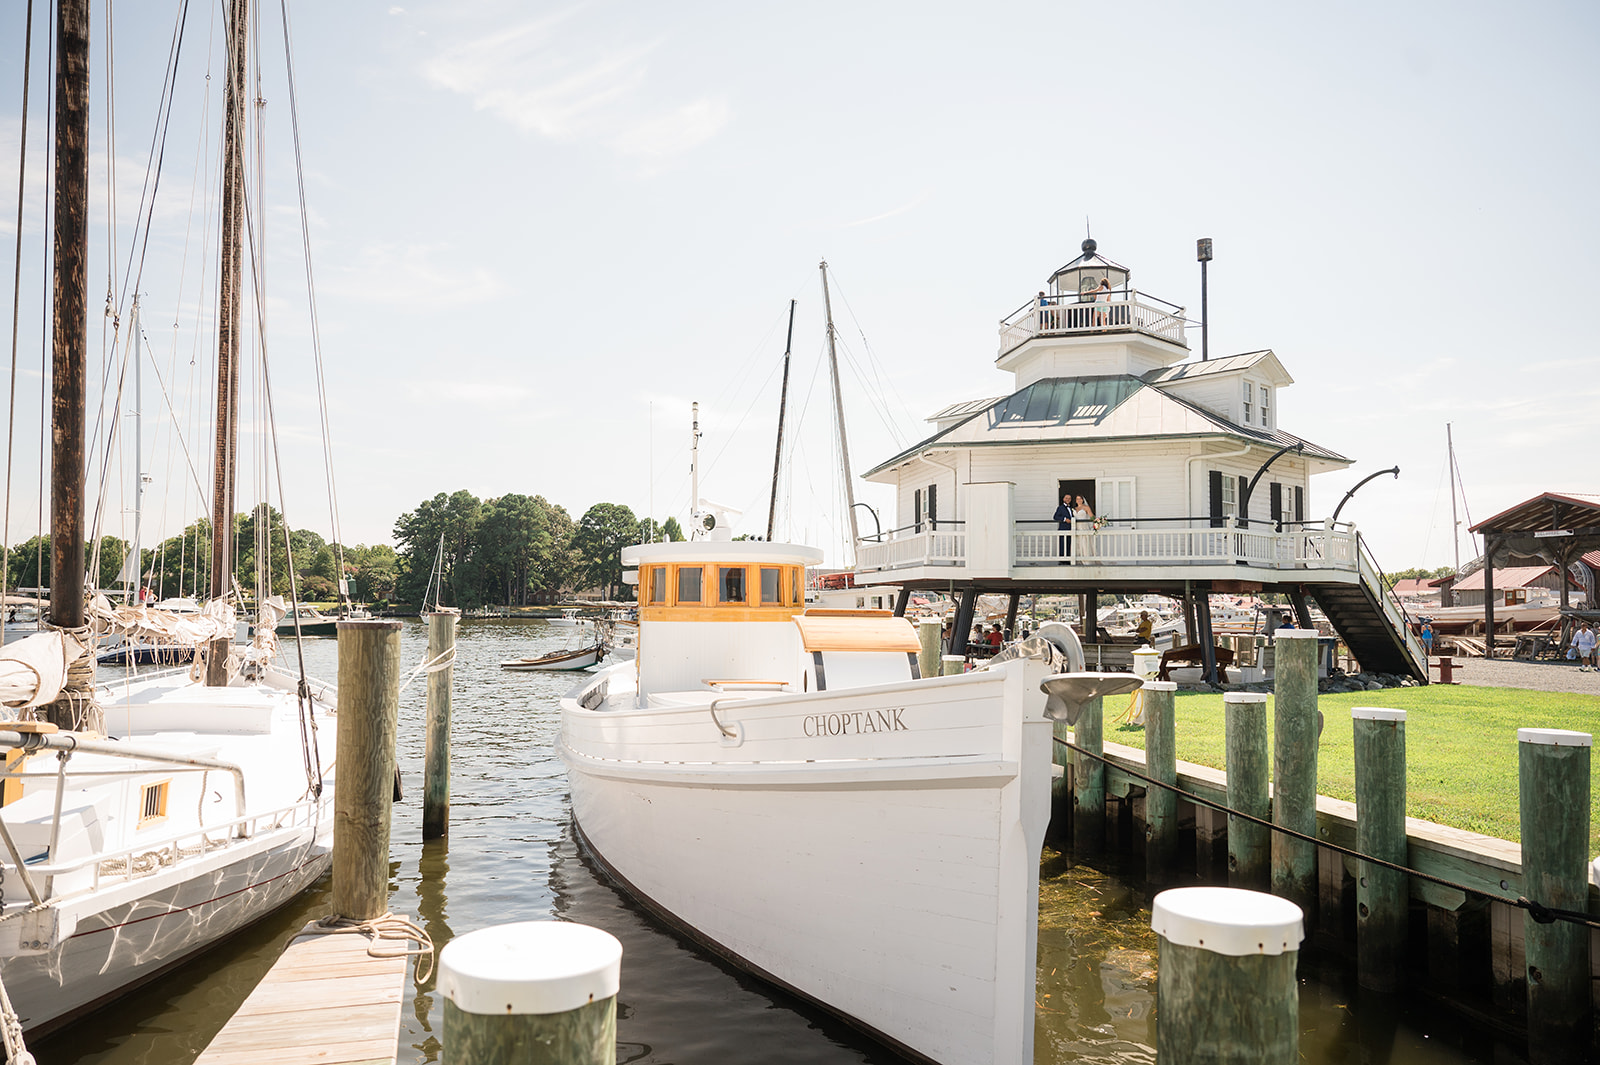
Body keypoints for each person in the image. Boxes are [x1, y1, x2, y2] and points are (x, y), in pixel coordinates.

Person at [1053, 491, 1074, 561]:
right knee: (1062, 545)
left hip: (1071, 529)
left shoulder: (1071, 508)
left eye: (1069, 498)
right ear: (1063, 499)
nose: (1068, 499)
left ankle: (1068, 560)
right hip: (1063, 529)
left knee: (1069, 545)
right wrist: (1065, 519)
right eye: (1066, 498)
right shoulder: (1060, 508)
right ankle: (1062, 560)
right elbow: (1055, 517)